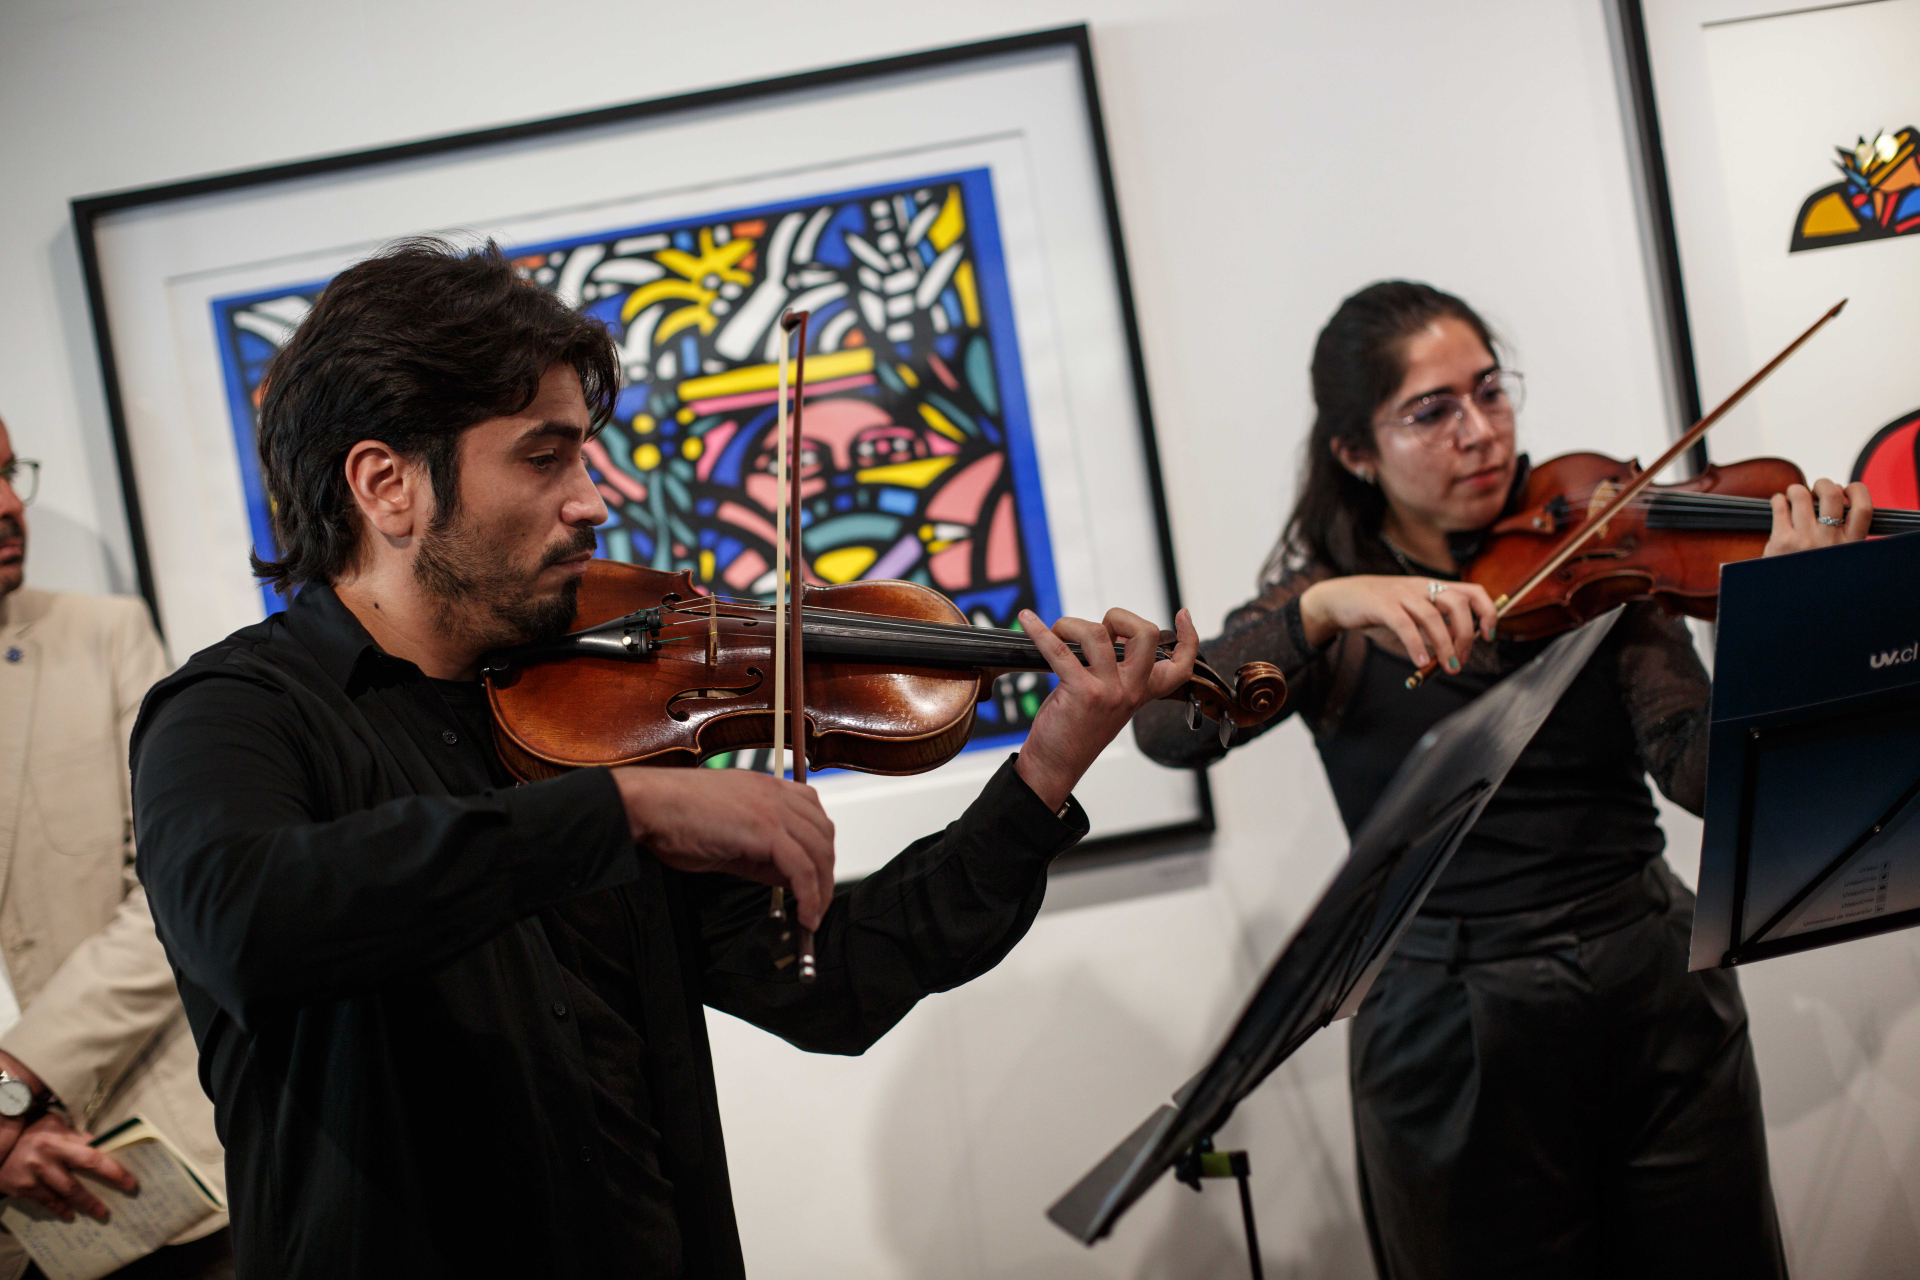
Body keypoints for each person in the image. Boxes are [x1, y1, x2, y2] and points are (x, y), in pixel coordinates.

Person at [129, 238, 1198, 1280]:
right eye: (543, 457)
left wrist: (1045, 771)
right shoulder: (235, 713)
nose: (593, 501)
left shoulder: (591, 713)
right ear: (387, 485)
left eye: (582, 456)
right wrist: (619, 814)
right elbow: (247, 920)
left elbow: (832, 983)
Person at [1133, 281, 1870, 1280]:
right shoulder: (1327, 610)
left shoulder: (1595, 544)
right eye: (1433, 411)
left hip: (1652, 989)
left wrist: (1787, 616)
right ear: (1356, 451)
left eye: (1490, 390)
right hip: (1447, 1026)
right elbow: (1165, 729)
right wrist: (1325, 607)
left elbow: (1703, 771)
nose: (1480, 431)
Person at [0, 417, 229, 1279]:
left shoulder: (101, 636)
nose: (9, 505)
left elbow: (176, 892)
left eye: (10, 472)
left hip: (140, 1170)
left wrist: (17, 1081)